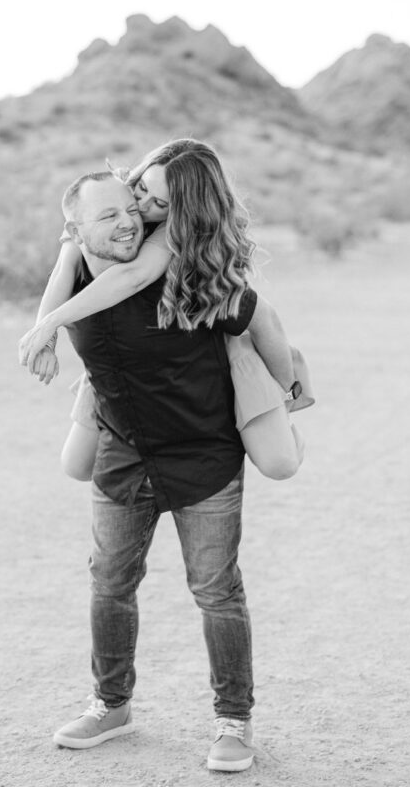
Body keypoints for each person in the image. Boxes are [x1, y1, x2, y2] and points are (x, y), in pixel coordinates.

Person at [20, 147, 302, 771]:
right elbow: (60, 293)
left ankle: (234, 723)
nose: (137, 216)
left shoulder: (190, 266)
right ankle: (110, 705)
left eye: (152, 206)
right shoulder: (81, 266)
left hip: (203, 457)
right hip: (122, 455)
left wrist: (286, 396)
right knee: (110, 582)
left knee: (216, 591)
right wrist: (46, 323)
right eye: (132, 200)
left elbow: (264, 321)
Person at [19, 139, 311, 483]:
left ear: (182, 210)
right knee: (76, 466)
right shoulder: (113, 201)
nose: (140, 206)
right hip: (119, 354)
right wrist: (47, 337)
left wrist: (286, 389)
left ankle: (279, 424)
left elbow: (135, 275)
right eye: (141, 188)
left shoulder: (174, 233)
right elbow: (64, 264)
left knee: (280, 465)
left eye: (158, 203)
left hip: (212, 345)